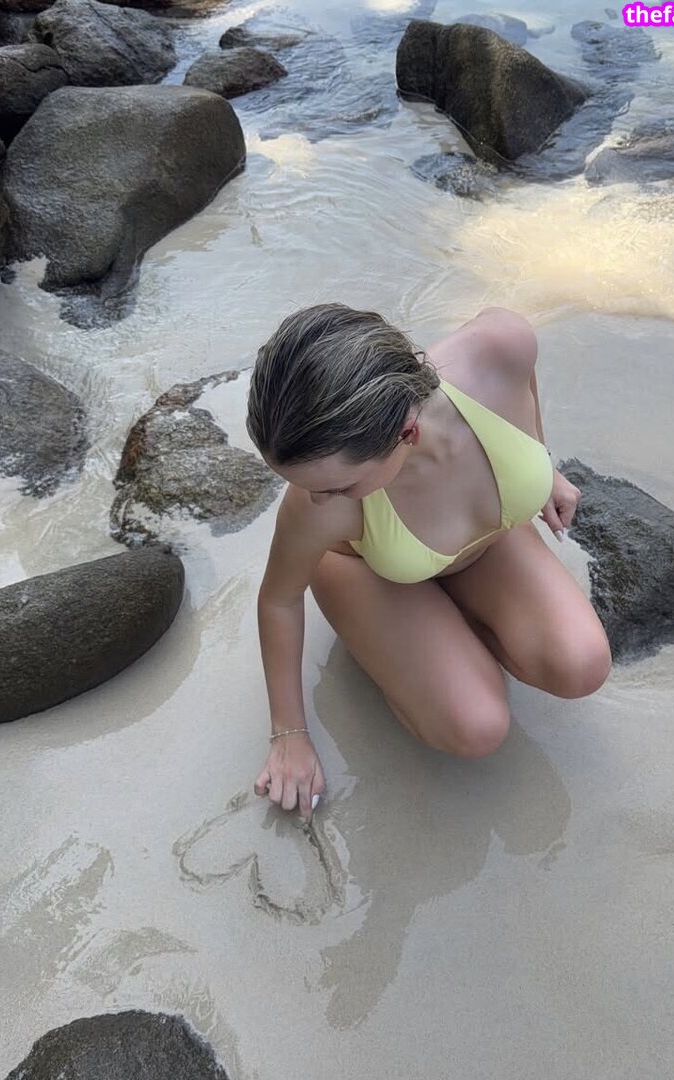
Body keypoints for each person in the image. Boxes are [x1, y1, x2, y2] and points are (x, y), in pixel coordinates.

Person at [245, 303, 612, 822]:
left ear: (407, 432)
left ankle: (451, 631)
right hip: (369, 569)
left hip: (481, 545)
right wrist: (289, 734)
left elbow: (524, 386)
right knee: (477, 727)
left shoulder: (501, 346)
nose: (317, 499)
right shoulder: (317, 508)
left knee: (582, 666)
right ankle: (416, 647)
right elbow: (279, 599)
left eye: (338, 486)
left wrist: (539, 464)